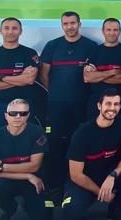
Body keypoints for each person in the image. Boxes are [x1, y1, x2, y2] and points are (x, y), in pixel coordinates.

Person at [61, 90, 121, 220]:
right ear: (99, 106)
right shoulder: (82, 133)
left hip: (108, 173)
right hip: (84, 178)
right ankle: (83, 203)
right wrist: (100, 192)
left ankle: (116, 209)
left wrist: (113, 175)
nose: (112, 108)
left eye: (116, 104)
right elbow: (76, 175)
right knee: (72, 218)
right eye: (108, 103)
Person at [39, 11, 97, 194]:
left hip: (81, 103)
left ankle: (79, 181)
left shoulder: (90, 46)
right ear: (62, 25)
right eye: (66, 23)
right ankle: (56, 182)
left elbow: (92, 75)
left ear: (79, 24)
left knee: (79, 143)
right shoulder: (52, 46)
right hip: (56, 104)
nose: (70, 27)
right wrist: (56, 93)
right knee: (55, 143)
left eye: (73, 23)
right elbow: (44, 74)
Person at [0, 99, 53, 220]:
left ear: (28, 116)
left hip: (34, 183)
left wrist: (2, 167)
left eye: (23, 113)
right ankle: (8, 209)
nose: (18, 117)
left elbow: (34, 166)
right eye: (13, 113)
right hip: (19, 180)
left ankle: (29, 204)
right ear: (6, 116)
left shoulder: (37, 132)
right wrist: (27, 176)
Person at [0, 17, 40, 138]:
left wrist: (0, 78)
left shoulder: (29, 53)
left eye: (14, 28)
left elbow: (29, 80)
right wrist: (19, 78)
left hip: (23, 106)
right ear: (0, 31)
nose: (10, 31)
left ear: (20, 31)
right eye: (6, 28)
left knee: (25, 140)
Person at [84, 17, 121, 118]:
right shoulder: (94, 51)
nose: (112, 33)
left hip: (120, 103)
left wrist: (98, 76)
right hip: (96, 103)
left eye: (115, 30)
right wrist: (113, 72)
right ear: (103, 31)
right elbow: (88, 77)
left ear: (120, 31)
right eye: (108, 30)